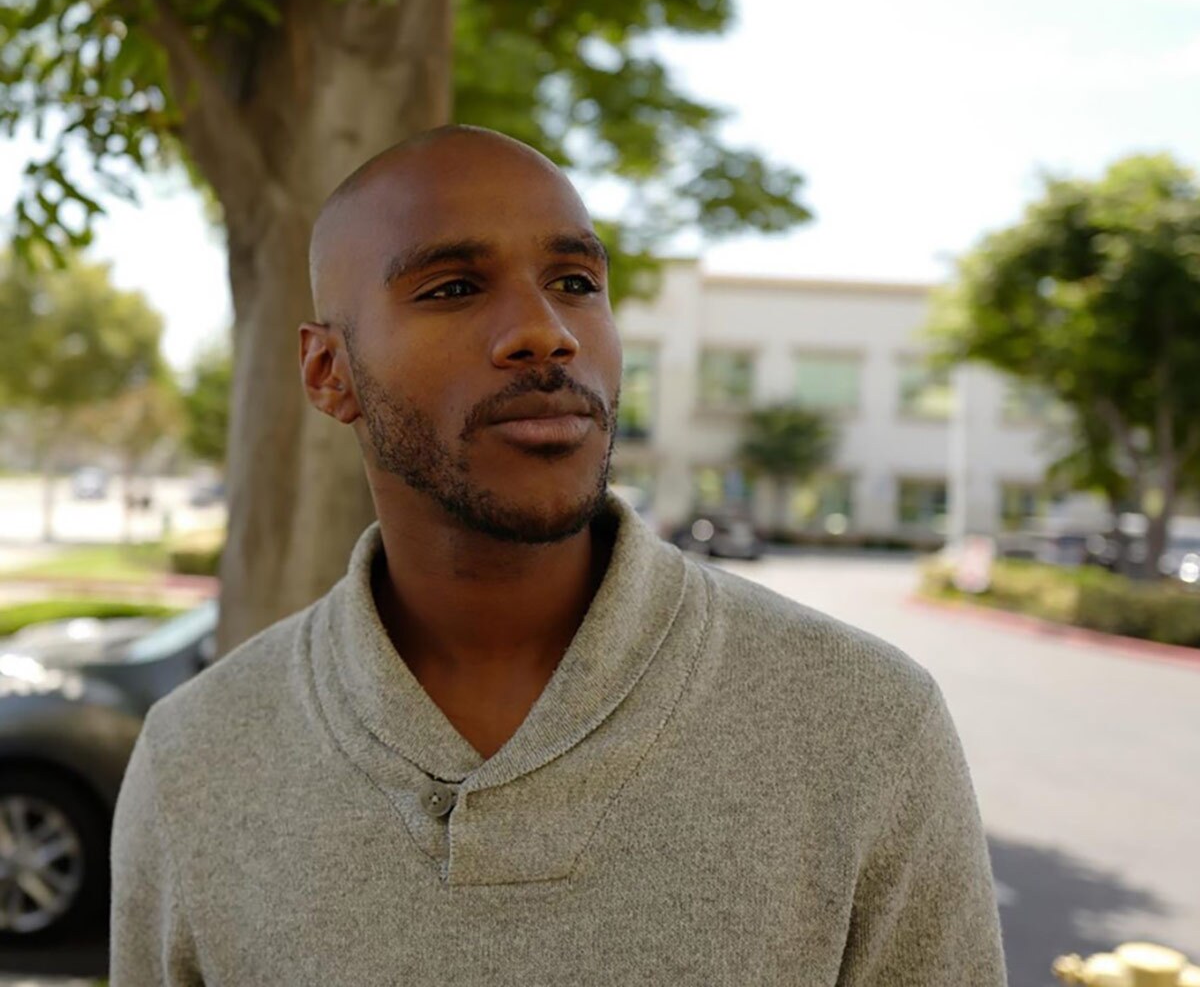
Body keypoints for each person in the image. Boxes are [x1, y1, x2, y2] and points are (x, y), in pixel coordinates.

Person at [111, 126, 1007, 985]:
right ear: (327, 373)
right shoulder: (197, 758)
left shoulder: (867, 725)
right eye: (454, 288)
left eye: (575, 281)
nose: (546, 331)